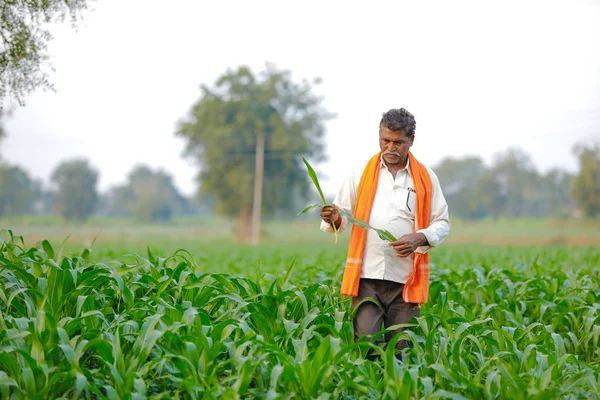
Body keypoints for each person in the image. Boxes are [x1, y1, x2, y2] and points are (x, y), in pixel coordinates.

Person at [320, 108, 450, 358]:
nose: (390, 147)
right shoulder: (360, 174)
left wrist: (419, 238)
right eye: (385, 141)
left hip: (406, 281)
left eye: (398, 142)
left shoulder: (425, 178)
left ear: (411, 140)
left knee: (401, 351)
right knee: (366, 345)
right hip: (367, 278)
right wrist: (334, 218)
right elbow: (341, 215)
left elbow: (442, 223)